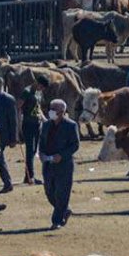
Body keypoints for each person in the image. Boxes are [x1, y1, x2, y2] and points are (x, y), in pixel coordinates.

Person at [39, 99, 80, 230]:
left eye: (54, 109)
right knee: (49, 192)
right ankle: (65, 210)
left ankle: (56, 220)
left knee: (62, 193)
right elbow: (42, 141)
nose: (51, 111)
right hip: (48, 164)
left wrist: (62, 155)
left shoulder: (71, 125)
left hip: (64, 165)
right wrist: (41, 153)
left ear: (62, 112)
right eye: (51, 108)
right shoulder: (46, 125)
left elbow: (75, 145)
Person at [18, 74, 46, 185]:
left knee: (34, 150)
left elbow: (38, 108)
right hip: (28, 124)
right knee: (30, 150)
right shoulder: (27, 92)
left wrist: (45, 120)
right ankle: (31, 176)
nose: (42, 89)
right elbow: (19, 107)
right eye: (41, 86)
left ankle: (28, 175)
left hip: (37, 123)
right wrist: (18, 126)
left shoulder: (39, 93)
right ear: (37, 83)